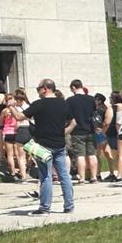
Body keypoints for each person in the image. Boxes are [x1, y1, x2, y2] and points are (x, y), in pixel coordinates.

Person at [25, 79, 76, 215]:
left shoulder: (39, 104)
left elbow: (19, 117)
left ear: (45, 88)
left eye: (38, 88)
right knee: (64, 175)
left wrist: (11, 106)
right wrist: (62, 132)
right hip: (59, 144)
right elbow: (73, 123)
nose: (38, 91)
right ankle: (69, 206)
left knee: (46, 176)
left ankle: (45, 207)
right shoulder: (63, 104)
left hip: (43, 145)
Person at [65, 79, 98, 184]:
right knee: (92, 154)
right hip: (90, 130)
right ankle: (93, 177)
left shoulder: (70, 100)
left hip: (77, 131)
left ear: (74, 87)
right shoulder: (91, 99)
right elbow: (94, 113)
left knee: (80, 155)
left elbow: (68, 116)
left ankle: (82, 178)